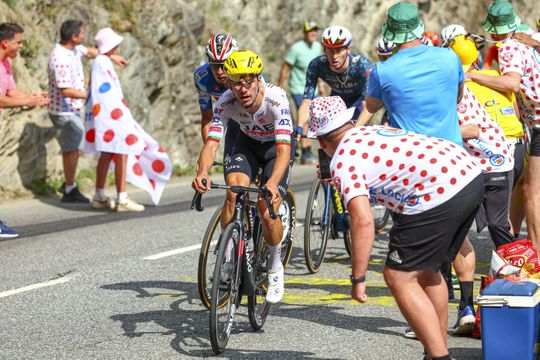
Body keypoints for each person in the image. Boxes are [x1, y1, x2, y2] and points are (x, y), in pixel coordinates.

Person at [308, 96, 483, 360]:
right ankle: (434, 351)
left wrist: (358, 278)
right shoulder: (368, 132)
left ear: (321, 142)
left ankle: (439, 357)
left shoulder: (343, 158)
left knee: (397, 275)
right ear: (349, 121)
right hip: (467, 174)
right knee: (427, 272)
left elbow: (363, 221)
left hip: (437, 191)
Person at [364, 1, 468, 341]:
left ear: (391, 36)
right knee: (452, 248)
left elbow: (366, 115)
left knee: (419, 263)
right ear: (420, 28)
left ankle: (431, 331)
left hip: (414, 173)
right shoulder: (449, 58)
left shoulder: (383, 71)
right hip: (458, 167)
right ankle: (462, 310)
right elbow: (457, 98)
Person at [192, 50, 294, 304]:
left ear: (258, 80)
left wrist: (271, 183)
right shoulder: (226, 101)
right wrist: (202, 171)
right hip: (247, 145)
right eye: (236, 81)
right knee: (233, 192)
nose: (243, 88)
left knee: (267, 209)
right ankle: (229, 257)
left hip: (274, 150)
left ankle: (274, 266)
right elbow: (212, 143)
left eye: (248, 81)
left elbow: (284, 150)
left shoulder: (276, 98)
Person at [469, 0, 540, 251]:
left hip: (538, 122)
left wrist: (473, 76)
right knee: (521, 186)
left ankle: (536, 257)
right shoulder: (529, 34)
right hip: (533, 122)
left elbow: (512, 83)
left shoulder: (508, 47)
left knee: (532, 191)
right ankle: (511, 245)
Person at [84, 28, 172, 211]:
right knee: (121, 151)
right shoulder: (102, 62)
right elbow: (107, 94)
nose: (117, 47)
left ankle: (99, 195)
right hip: (113, 117)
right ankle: (121, 198)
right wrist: (122, 116)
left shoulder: (100, 61)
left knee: (107, 154)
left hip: (107, 116)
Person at [48, 20, 128, 203]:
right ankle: (69, 189)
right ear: (74, 36)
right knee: (72, 149)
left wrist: (112, 56)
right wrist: (95, 95)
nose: (85, 37)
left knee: (73, 147)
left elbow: (91, 52)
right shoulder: (59, 58)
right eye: (82, 34)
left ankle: (69, 184)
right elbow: (65, 90)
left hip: (73, 108)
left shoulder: (74, 48)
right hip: (63, 111)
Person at [0, 23, 49, 238]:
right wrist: (26, 101)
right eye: (18, 42)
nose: (21, 46)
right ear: (5, 42)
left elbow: (11, 91)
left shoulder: (6, 64)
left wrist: (32, 98)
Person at [296, 25, 373, 161]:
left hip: (359, 102)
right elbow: (307, 101)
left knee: (355, 141)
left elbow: (368, 107)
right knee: (330, 142)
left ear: (348, 49)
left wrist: (355, 131)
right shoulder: (317, 65)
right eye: (330, 51)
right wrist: (300, 126)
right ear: (324, 49)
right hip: (336, 102)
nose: (334, 57)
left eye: (339, 50)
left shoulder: (362, 65)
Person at [279, 21, 324, 164]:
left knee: (315, 118)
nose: (313, 33)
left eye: (315, 30)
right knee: (304, 115)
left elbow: (320, 69)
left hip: (314, 88)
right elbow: (285, 67)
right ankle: (306, 152)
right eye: (310, 31)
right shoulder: (296, 49)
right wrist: (281, 86)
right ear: (304, 33)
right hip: (298, 88)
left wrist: (321, 86)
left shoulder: (318, 47)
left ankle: (303, 145)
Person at [193, 34, 238, 143]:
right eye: (214, 65)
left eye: (224, 65)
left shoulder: (247, 71)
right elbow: (207, 118)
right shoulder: (202, 78)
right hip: (233, 118)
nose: (219, 72)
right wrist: (209, 151)